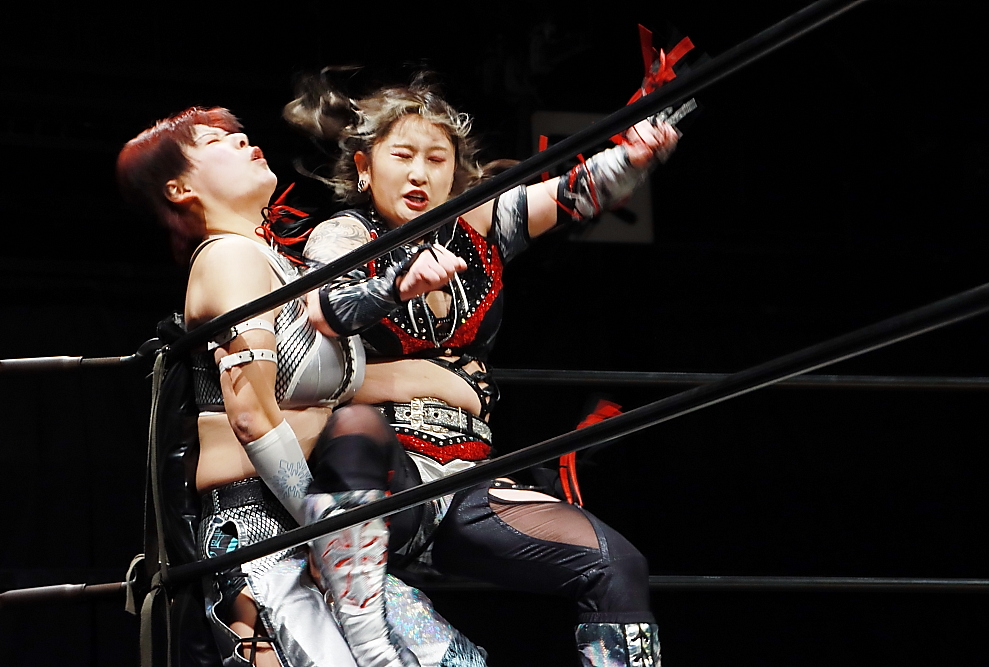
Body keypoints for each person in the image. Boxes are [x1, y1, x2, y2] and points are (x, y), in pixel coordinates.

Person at [283, 74, 680, 666]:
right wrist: (396, 285)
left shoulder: (479, 225)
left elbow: (573, 193)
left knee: (617, 564)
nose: (419, 173)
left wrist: (634, 155)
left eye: (436, 159)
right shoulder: (345, 234)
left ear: (454, 172)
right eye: (402, 156)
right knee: (355, 426)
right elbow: (327, 309)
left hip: (468, 480)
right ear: (365, 167)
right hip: (387, 478)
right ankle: (364, 634)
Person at [117, 107, 487, 667]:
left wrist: (426, 375)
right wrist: (325, 524)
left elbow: (322, 399)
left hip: (320, 527)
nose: (244, 142)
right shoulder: (228, 255)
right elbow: (249, 417)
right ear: (180, 188)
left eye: (241, 134)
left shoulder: (278, 266)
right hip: (266, 530)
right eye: (217, 142)